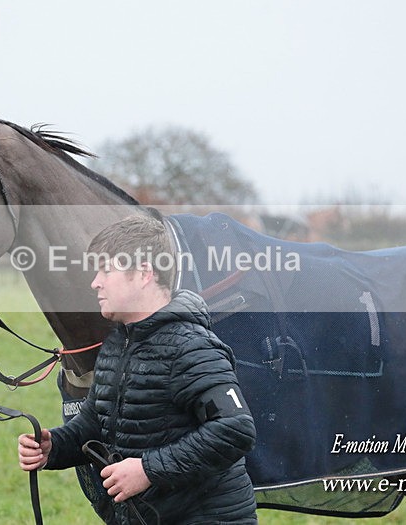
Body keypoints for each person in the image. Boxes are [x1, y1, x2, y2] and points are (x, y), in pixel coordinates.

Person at [18, 214, 258, 524]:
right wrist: (55, 447)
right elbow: (95, 421)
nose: (95, 282)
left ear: (144, 273)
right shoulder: (117, 344)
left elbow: (235, 430)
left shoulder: (192, 346)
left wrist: (147, 469)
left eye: (106, 270)